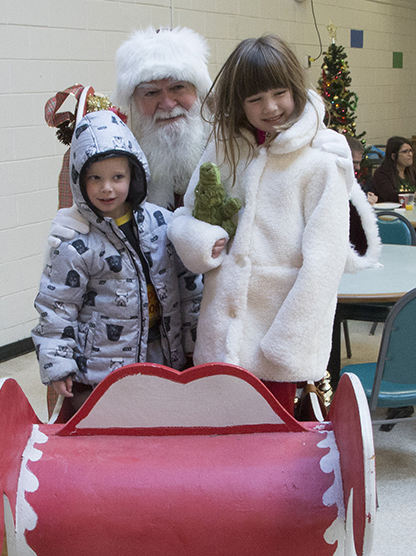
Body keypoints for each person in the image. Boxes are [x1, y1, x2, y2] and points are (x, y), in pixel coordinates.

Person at [168, 35, 380, 413]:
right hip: (221, 338)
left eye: (279, 93)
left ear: (295, 89)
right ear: (239, 103)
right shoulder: (223, 149)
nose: (270, 107)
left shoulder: (318, 160)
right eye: (254, 99)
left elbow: (325, 262)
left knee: (273, 447)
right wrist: (201, 240)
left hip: (279, 342)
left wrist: (287, 343)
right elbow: (186, 216)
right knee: (222, 441)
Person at [32, 110, 202, 416]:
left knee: (158, 428)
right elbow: (57, 307)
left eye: (117, 177)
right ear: (79, 180)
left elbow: (189, 287)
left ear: (133, 175)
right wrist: (58, 364)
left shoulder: (162, 223)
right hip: (100, 371)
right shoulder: (76, 241)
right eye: (95, 178)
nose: (106, 188)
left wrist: (193, 344)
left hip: (162, 356)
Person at [54, 27, 212, 212]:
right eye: (151, 93)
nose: (167, 104)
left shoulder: (230, 148)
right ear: (132, 103)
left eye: (178, 87)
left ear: (198, 92)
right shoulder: (109, 156)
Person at [366, 136, 416, 205]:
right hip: (390, 213)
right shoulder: (381, 174)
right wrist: (414, 195)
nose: (410, 154)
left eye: (410, 151)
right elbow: (390, 196)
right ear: (393, 156)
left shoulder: (414, 172)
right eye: (405, 152)